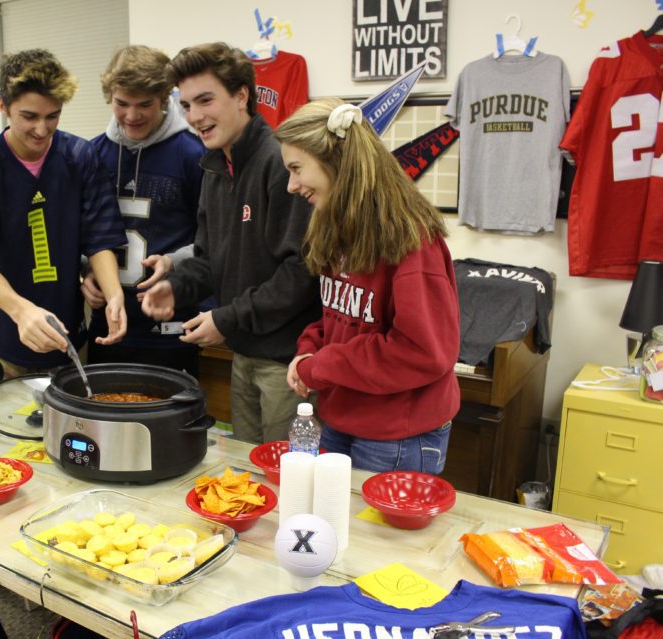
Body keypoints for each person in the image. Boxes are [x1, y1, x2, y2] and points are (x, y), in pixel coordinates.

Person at [142, 42, 320, 444]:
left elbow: (301, 273)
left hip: (285, 364)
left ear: (242, 95)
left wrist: (225, 319)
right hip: (242, 354)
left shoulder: (279, 162)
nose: (195, 117)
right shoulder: (214, 168)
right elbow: (209, 261)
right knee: (249, 477)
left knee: (282, 480)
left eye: (205, 100)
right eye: (185, 105)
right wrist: (176, 286)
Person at [274, 98, 460, 474]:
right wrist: (308, 349)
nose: (291, 186)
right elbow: (338, 317)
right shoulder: (334, 226)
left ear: (334, 161)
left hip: (398, 435)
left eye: (296, 169)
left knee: (372, 535)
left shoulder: (411, 240)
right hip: (342, 417)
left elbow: (423, 351)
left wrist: (321, 365)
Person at [0, 49, 127, 376]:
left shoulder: (80, 156)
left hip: (70, 339)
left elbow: (100, 239)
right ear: (3, 106)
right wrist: (21, 312)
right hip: (6, 341)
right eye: (29, 116)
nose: (41, 129)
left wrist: (114, 293)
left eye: (53, 116)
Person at [81, 45, 205, 376]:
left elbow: (213, 239)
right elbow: (83, 230)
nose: (132, 116)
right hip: (108, 320)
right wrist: (85, 271)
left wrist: (175, 263)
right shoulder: (94, 154)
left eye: (144, 105)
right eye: (122, 104)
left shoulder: (193, 154)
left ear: (165, 98)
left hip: (170, 322)